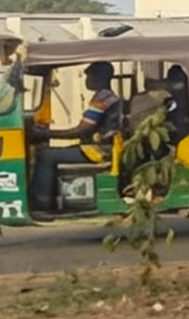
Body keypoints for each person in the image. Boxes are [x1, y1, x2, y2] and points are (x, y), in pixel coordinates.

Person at [30, 61, 125, 213]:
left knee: (46, 155)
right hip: (94, 147)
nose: (87, 79)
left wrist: (47, 133)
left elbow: (81, 130)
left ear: (100, 77)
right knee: (51, 152)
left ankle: (41, 205)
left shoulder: (103, 98)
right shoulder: (104, 96)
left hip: (97, 150)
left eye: (90, 75)